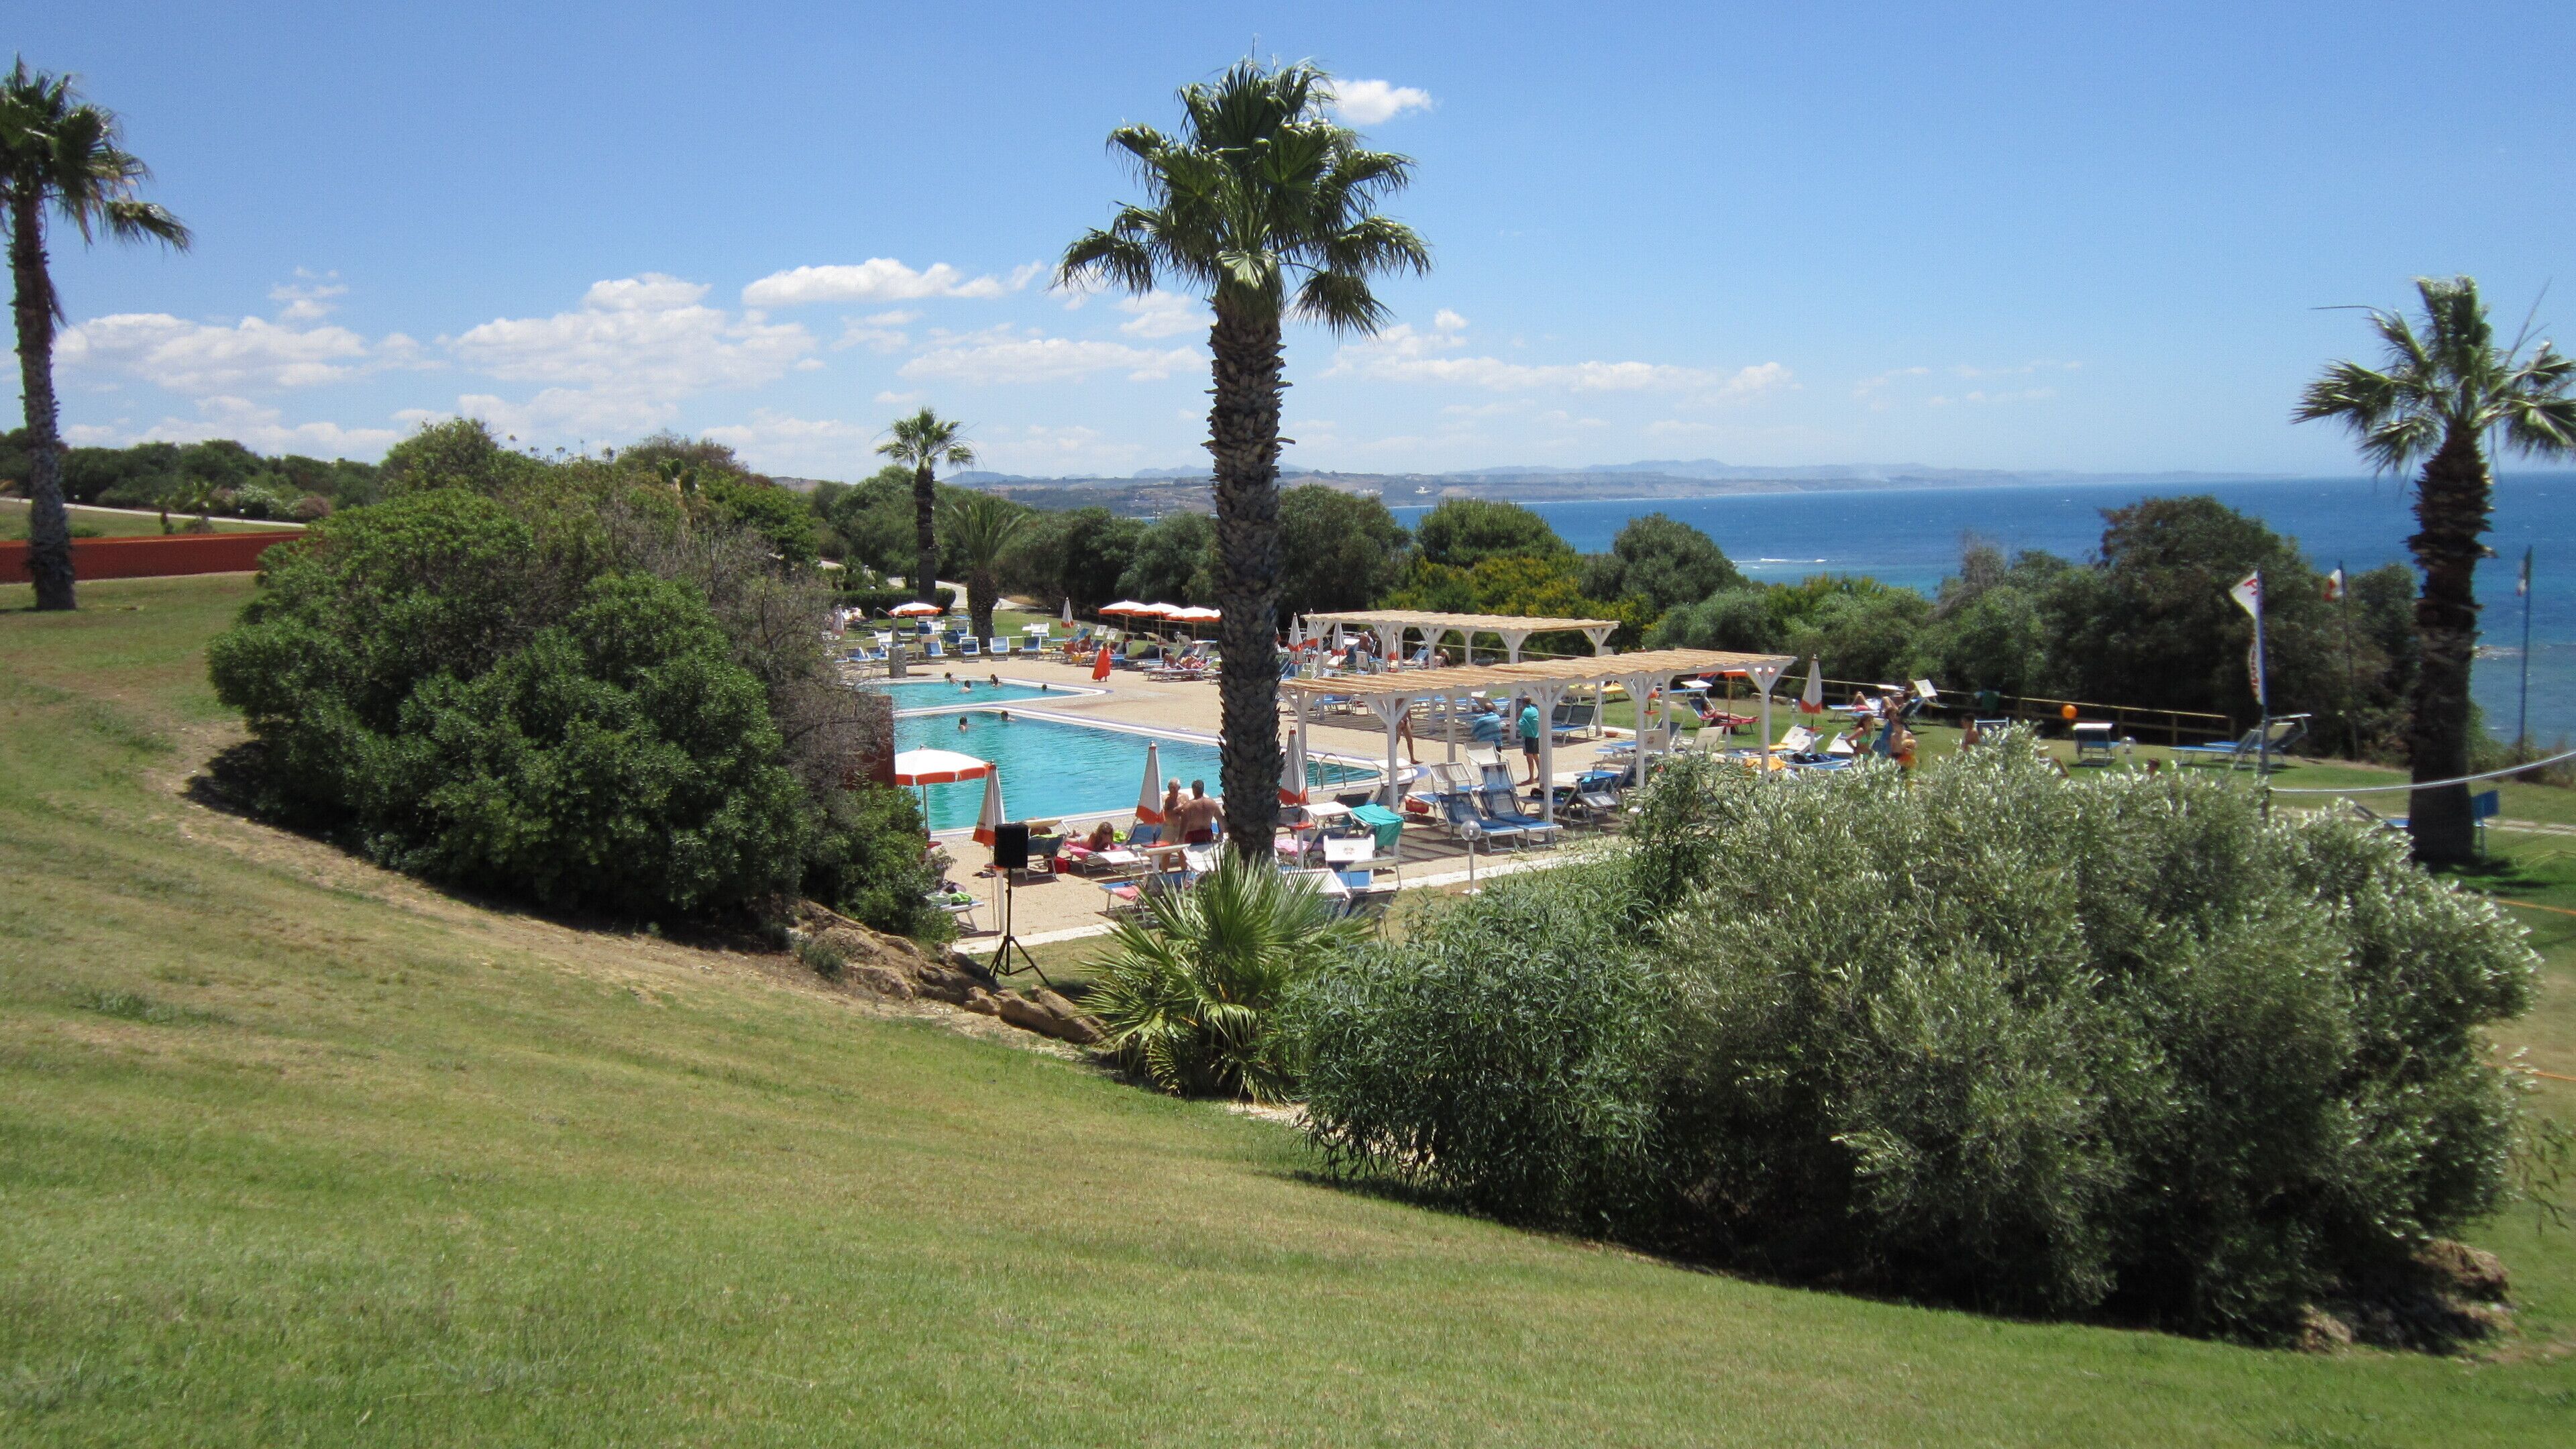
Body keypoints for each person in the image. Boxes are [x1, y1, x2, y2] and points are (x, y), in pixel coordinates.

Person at [1177, 780, 1220, 845]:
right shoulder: (1212, 803)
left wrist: (1180, 839)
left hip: (1192, 835)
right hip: (1207, 834)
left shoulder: (1189, 806)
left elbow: (1184, 825)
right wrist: (1221, 833)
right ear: (1203, 789)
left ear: (1193, 790)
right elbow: (1221, 820)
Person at [1517, 694, 1543, 786]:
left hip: (1528, 736)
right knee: (1536, 756)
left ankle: (1531, 778)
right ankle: (1541, 775)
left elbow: (1520, 722)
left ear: (1522, 702)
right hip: (1536, 735)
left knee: (1529, 758)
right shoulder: (1535, 710)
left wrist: (1520, 711)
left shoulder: (1525, 712)